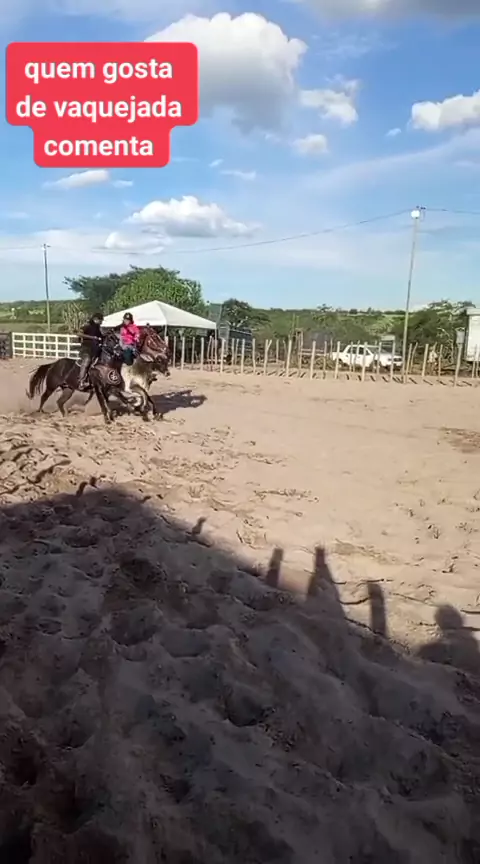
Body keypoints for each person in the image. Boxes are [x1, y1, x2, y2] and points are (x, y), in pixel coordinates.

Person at [77, 312, 103, 389]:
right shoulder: (87, 326)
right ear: (95, 319)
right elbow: (79, 334)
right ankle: (81, 381)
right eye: (100, 320)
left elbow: (101, 337)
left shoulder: (97, 328)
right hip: (86, 348)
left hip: (95, 349)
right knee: (87, 360)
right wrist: (93, 337)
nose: (101, 322)